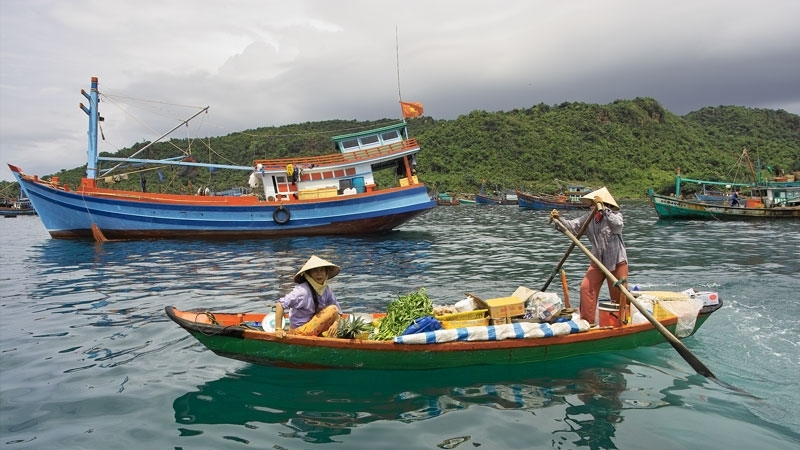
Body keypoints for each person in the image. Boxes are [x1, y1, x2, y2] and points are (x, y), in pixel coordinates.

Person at [549, 187, 628, 325]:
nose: (592, 206)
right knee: (586, 288)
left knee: (619, 296)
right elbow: (572, 227)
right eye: (592, 203)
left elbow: (617, 226)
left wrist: (603, 210)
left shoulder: (615, 216)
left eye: (594, 203)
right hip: (597, 261)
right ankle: (587, 323)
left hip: (616, 261)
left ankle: (621, 323)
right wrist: (558, 219)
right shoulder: (589, 218)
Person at [274, 255, 342, 338]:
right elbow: (280, 304)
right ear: (309, 274)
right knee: (332, 309)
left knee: (336, 316)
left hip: (315, 326)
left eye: (322, 270)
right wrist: (278, 329)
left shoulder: (326, 289)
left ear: (326, 273)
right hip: (299, 331)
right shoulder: (303, 291)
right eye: (315, 271)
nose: (319, 274)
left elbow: (339, 312)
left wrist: (335, 324)